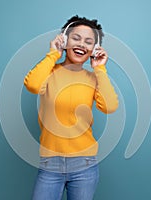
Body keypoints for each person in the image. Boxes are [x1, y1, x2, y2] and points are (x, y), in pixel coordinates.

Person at [24, 15, 118, 200]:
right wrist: (53, 54)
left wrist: (100, 69)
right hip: (50, 164)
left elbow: (110, 106)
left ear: (94, 49)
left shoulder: (93, 79)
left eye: (88, 41)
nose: (82, 44)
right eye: (76, 38)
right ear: (64, 40)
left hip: (85, 165)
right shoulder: (49, 73)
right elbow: (33, 85)